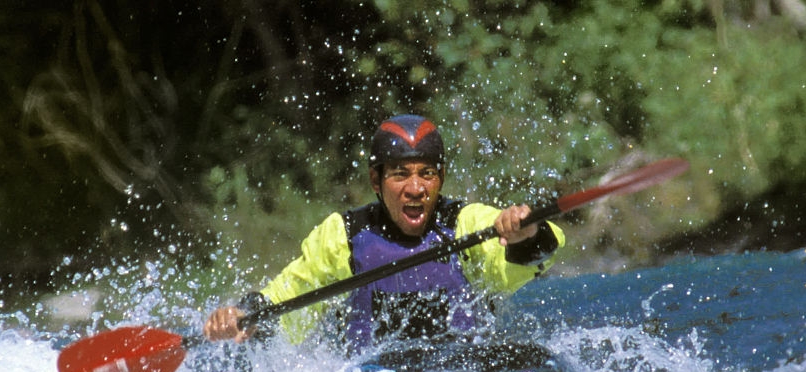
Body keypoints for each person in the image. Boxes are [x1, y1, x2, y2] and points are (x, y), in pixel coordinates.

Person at [203, 114, 564, 353]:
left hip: (462, 370)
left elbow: (536, 252)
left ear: (441, 179)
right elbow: (289, 295)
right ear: (376, 181)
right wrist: (245, 315)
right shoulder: (344, 235)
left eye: (427, 173)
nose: (416, 187)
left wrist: (526, 232)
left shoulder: (464, 223)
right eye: (400, 174)